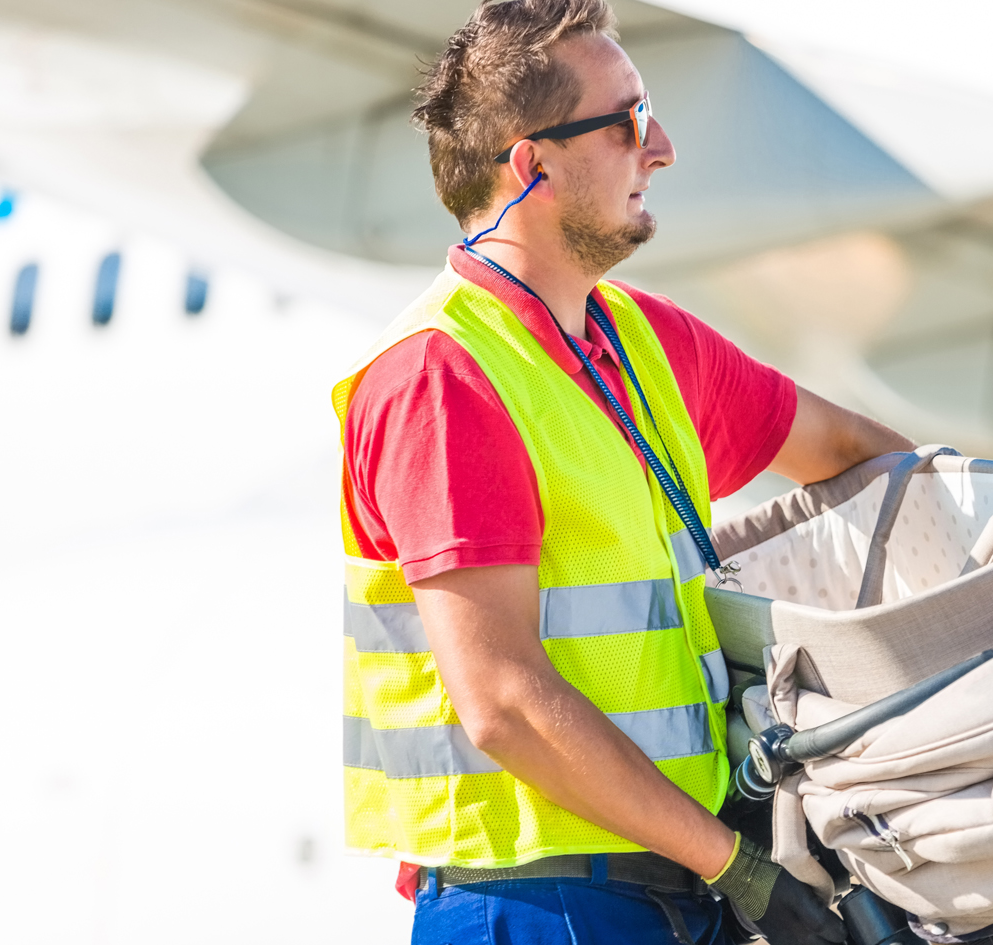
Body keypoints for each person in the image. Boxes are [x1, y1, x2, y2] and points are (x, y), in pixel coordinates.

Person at [330, 2, 914, 943]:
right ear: (534, 165)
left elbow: (856, 455)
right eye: (629, 119)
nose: (664, 147)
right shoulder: (442, 380)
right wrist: (738, 866)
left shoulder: (644, 342)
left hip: (685, 884)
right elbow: (505, 702)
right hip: (539, 901)